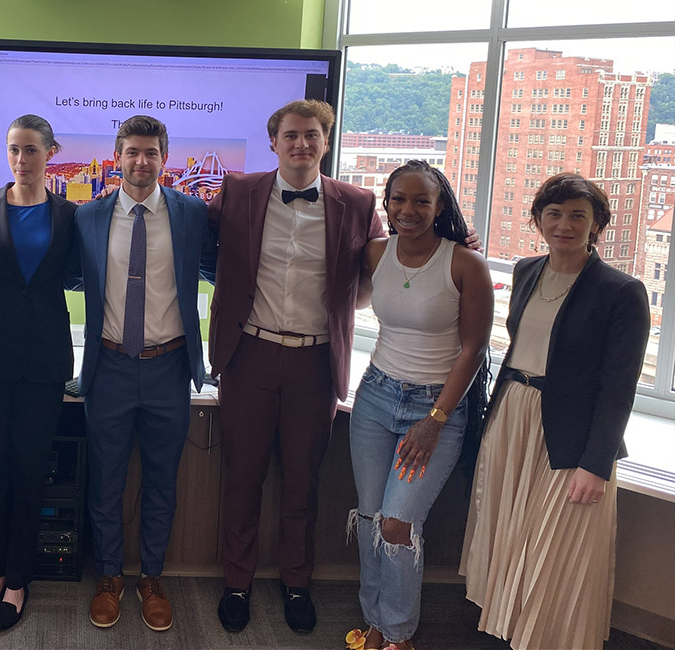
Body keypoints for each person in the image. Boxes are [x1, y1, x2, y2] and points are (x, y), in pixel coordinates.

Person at [208, 99, 385, 634]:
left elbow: (381, 271)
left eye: (312, 135)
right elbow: (200, 247)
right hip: (249, 355)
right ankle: (236, 583)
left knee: (302, 483)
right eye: (291, 135)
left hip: (314, 361)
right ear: (273, 142)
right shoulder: (237, 192)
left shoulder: (357, 202)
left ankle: (296, 584)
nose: (301, 144)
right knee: (242, 478)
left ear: (326, 142)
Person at [460, 173, 649, 650]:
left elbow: (618, 388)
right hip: (512, 416)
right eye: (554, 214)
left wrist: (596, 463)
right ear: (538, 220)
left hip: (568, 432)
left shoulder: (620, 291)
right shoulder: (526, 270)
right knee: (510, 534)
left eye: (577, 216)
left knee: (555, 547)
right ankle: (506, 628)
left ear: (596, 224)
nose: (564, 225)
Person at [73, 115, 217, 632]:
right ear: (117, 157)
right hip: (108, 366)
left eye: (151, 152)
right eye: (131, 151)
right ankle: (110, 576)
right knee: (105, 482)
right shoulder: (87, 216)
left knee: (161, 482)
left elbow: (231, 265)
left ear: (165, 158)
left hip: (168, 369)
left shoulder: (192, 213)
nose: (141, 161)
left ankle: (151, 578)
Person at [344, 161, 493, 650]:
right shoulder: (374, 253)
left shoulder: (465, 264)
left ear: (440, 206)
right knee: (369, 518)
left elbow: (472, 350)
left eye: (421, 201)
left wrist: (435, 420)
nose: (408, 210)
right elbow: (356, 299)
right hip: (375, 396)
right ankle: (374, 623)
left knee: (397, 522)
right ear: (385, 204)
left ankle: (399, 633)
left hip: (436, 408)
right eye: (399, 200)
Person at [0, 115, 77, 631]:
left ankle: (18, 578)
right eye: (13, 150)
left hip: (45, 362)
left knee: (30, 471)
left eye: (31, 149)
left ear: (51, 152)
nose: (21, 160)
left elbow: (77, 277)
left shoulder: (71, 215)